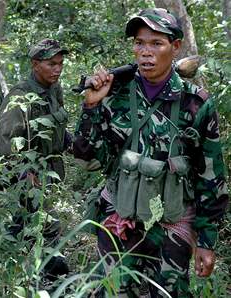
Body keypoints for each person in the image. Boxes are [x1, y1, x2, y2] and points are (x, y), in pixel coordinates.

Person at [73, 8, 229, 297]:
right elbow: (86, 158)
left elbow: (211, 176)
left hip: (172, 226)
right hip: (120, 221)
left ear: (175, 47)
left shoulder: (195, 104)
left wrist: (207, 240)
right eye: (139, 43)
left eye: (156, 43)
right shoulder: (115, 94)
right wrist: (92, 107)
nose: (146, 52)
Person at [0, 38, 71, 279]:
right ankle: (53, 275)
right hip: (27, 173)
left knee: (26, 225)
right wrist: (23, 174)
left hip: (50, 171)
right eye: (51, 64)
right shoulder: (20, 95)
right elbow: (5, 142)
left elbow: (56, 125)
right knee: (41, 225)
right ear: (35, 64)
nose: (57, 69)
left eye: (60, 63)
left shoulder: (54, 90)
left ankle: (4, 267)